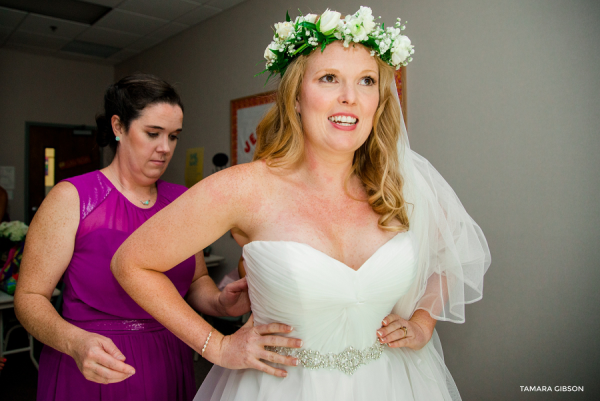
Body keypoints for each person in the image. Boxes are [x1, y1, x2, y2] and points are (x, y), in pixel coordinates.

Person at [112, 7, 491, 401]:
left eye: (366, 81)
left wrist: (423, 323)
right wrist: (217, 346)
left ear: (379, 100)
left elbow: (454, 251)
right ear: (295, 96)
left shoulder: (399, 187)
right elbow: (132, 263)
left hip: (395, 384)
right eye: (329, 78)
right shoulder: (244, 189)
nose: (349, 97)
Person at [14, 73, 298, 401]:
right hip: (94, 362)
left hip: (169, 354)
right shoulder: (73, 198)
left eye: (173, 136)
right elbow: (30, 297)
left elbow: (195, 281)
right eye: (152, 133)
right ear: (119, 127)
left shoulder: (181, 200)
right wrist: (74, 342)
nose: (165, 148)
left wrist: (219, 302)